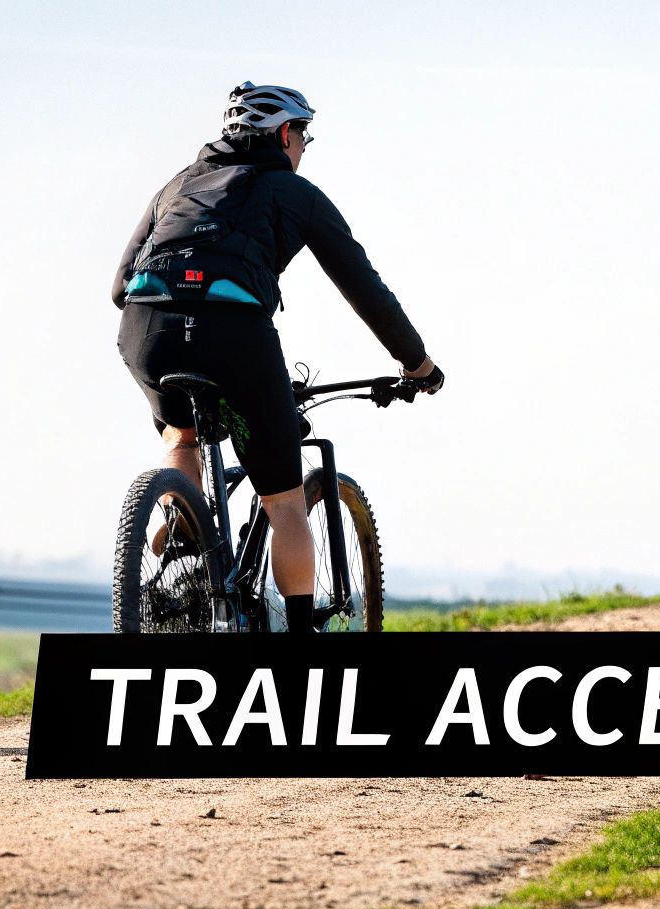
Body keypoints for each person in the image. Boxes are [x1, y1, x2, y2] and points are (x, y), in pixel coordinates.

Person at [112, 82, 443, 632]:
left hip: (148, 330)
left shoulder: (177, 186)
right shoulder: (294, 193)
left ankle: (176, 539)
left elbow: (120, 285)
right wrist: (417, 364)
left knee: (181, 433)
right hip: (235, 335)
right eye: (304, 136)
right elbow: (364, 288)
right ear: (285, 134)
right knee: (284, 499)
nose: (304, 148)